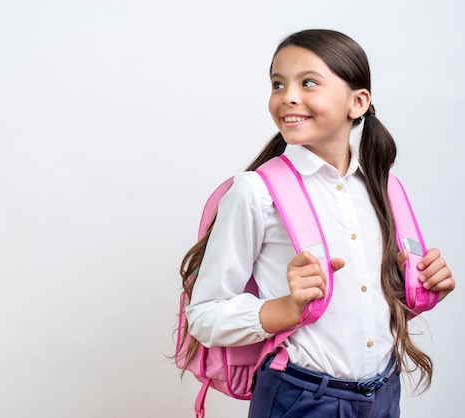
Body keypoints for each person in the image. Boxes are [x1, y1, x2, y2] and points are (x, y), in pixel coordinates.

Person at [180, 29, 455, 418]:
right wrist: (287, 308)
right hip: (300, 398)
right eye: (278, 84)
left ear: (357, 102)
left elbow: (364, 309)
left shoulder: (384, 188)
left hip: (382, 393)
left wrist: (420, 288)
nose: (287, 96)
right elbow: (204, 315)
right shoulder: (255, 192)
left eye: (308, 82)